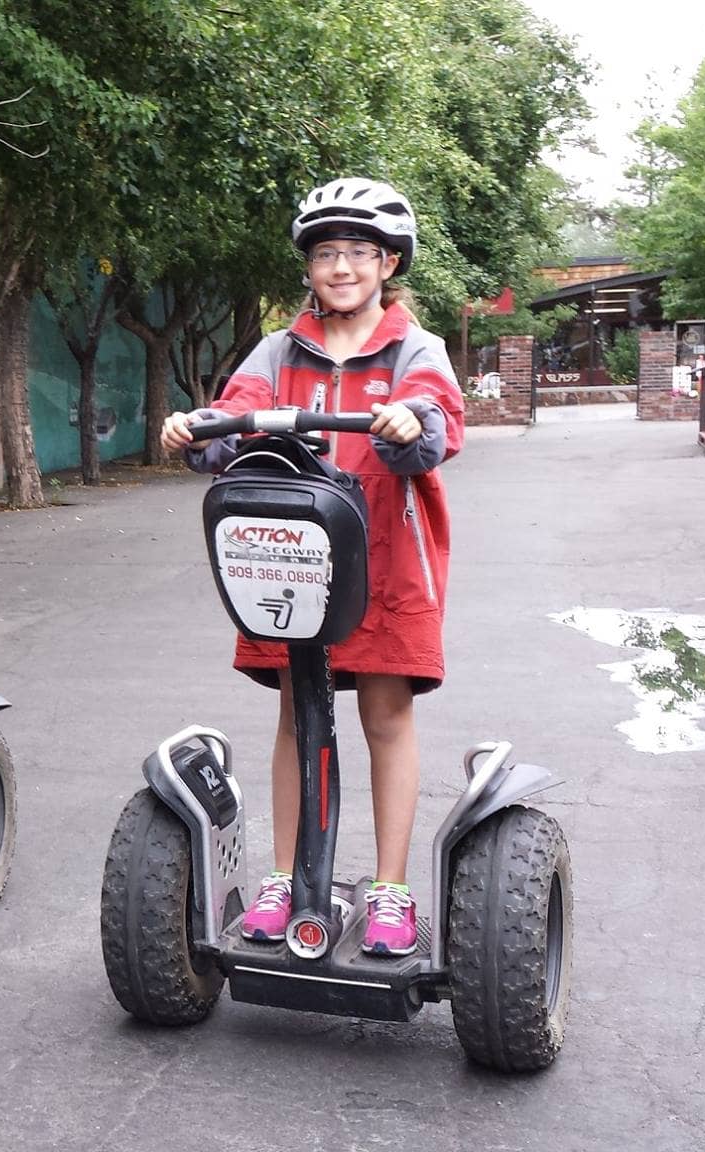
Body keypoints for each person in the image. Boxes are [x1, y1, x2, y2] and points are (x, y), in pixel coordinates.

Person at [160, 177, 465, 957]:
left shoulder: (412, 348)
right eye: (326, 253)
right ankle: (291, 878)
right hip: (292, 562)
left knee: (386, 717)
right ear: (309, 266)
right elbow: (235, 416)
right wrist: (199, 431)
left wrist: (408, 419)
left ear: (388, 262)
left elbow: (436, 424)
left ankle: (391, 889)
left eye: (357, 252)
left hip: (388, 563)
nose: (341, 267)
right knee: (298, 716)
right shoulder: (279, 347)